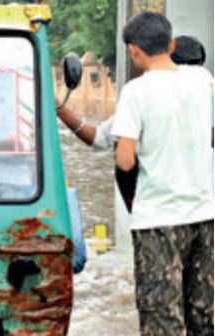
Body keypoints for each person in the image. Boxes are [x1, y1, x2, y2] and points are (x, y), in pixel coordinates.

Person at [113, 12, 213, 336]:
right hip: (205, 215)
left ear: (134, 52)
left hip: (158, 221)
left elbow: (123, 160)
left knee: (165, 318)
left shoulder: (137, 92)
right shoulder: (203, 81)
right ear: (171, 44)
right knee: (205, 316)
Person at [55, 34, 208, 211]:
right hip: (166, 215)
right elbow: (102, 140)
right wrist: (61, 110)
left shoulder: (204, 95)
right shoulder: (142, 98)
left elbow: (116, 155)